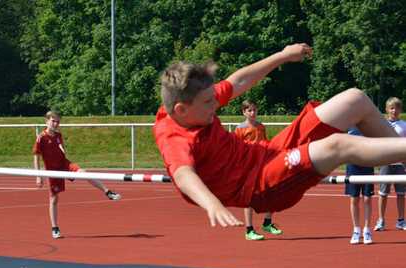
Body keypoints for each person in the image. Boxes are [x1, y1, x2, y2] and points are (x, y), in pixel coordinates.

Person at [153, 43, 404, 228]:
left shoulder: (195, 100)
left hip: (269, 151)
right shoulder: (173, 136)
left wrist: (282, 56)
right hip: (261, 184)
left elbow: (238, 81)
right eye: (209, 102)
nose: (215, 104)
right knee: (338, 145)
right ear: (181, 110)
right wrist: (211, 204)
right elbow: (184, 174)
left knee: (354, 99)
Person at [33, 111, 121, 239]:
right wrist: (38, 175)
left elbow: (61, 151)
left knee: (84, 173)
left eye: (58, 121)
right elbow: (36, 156)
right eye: (53, 121)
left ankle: (108, 192)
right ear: (46, 121)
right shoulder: (41, 137)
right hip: (52, 170)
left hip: (65, 165)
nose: (56, 123)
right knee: (54, 199)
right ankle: (55, 228)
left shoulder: (58, 135)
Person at [234, 100, 282, 240]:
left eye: (254, 110)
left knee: (272, 193)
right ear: (244, 112)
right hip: (248, 168)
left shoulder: (261, 127)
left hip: (262, 166)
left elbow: (265, 143)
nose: (253, 113)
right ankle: (249, 230)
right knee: (249, 199)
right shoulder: (240, 128)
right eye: (249, 110)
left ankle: (267, 222)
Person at [374, 97, 406, 231]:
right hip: (385, 163)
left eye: (397, 108)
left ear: (400, 110)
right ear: (387, 109)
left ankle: (401, 220)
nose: (395, 110)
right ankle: (381, 220)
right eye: (392, 108)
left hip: (400, 165)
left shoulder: (404, 125)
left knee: (401, 194)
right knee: (383, 193)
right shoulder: (382, 124)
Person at [345, 128, 374, 245]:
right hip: (353, 166)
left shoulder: (369, 125)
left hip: (367, 164)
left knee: (367, 199)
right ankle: (356, 230)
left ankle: (367, 230)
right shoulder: (348, 125)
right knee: (354, 199)